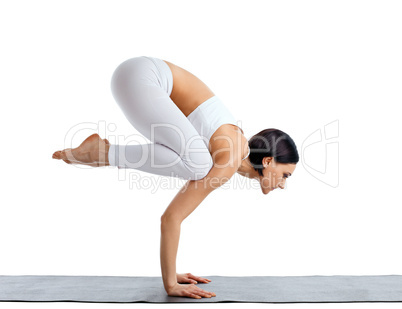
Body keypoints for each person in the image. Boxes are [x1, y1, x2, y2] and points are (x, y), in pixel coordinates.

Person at [52, 56, 299, 299]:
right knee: (199, 165)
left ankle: (104, 152)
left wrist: (174, 274)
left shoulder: (231, 150)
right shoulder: (229, 158)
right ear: (268, 161)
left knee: (198, 161)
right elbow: (171, 218)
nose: (283, 184)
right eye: (285, 175)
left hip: (137, 77)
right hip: (142, 77)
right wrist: (170, 284)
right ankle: (104, 153)